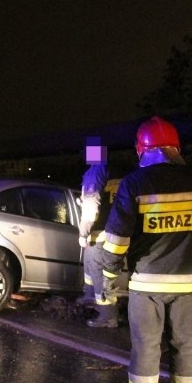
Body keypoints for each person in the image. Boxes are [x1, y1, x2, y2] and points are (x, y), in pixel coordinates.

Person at [101, 117, 192, 383]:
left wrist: (110, 273)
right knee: (186, 346)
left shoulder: (134, 184)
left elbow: (117, 240)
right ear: (176, 149)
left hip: (146, 285)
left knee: (146, 347)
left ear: (141, 149)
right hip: (186, 284)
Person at [78, 137, 124, 327]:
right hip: (112, 230)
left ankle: (108, 315)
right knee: (91, 267)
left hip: (100, 232)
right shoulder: (112, 170)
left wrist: (83, 231)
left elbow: (92, 203)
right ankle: (92, 299)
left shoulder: (95, 172)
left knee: (98, 271)